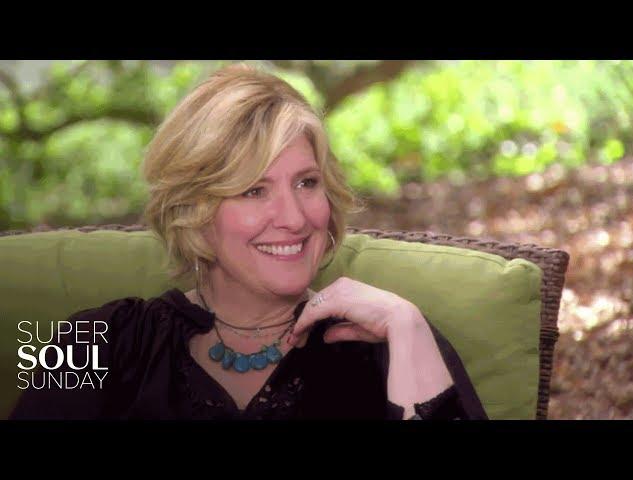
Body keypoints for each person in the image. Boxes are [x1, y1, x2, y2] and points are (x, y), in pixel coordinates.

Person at [10, 64, 488, 420]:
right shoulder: (95, 341)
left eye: (307, 183)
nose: (294, 218)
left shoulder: (394, 341)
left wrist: (409, 328)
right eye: (254, 190)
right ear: (194, 209)